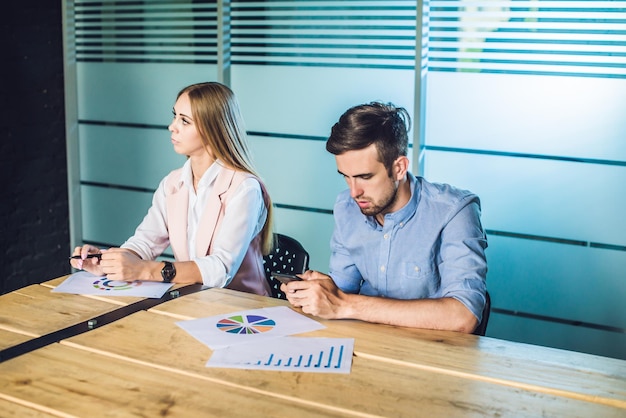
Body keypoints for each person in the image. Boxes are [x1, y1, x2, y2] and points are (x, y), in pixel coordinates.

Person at [282, 102, 487, 333]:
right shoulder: (346, 206)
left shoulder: (455, 211)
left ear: (399, 168)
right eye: (346, 177)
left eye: (365, 177)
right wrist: (318, 291)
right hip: (365, 344)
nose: (354, 192)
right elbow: (343, 289)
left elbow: (463, 316)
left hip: (431, 354)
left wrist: (345, 305)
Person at [70, 82, 274, 296]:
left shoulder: (244, 188)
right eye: (175, 116)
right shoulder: (173, 183)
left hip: (243, 312)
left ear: (213, 128)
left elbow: (221, 269)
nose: (172, 126)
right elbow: (146, 242)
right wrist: (110, 262)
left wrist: (145, 270)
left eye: (184, 121)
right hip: (191, 303)